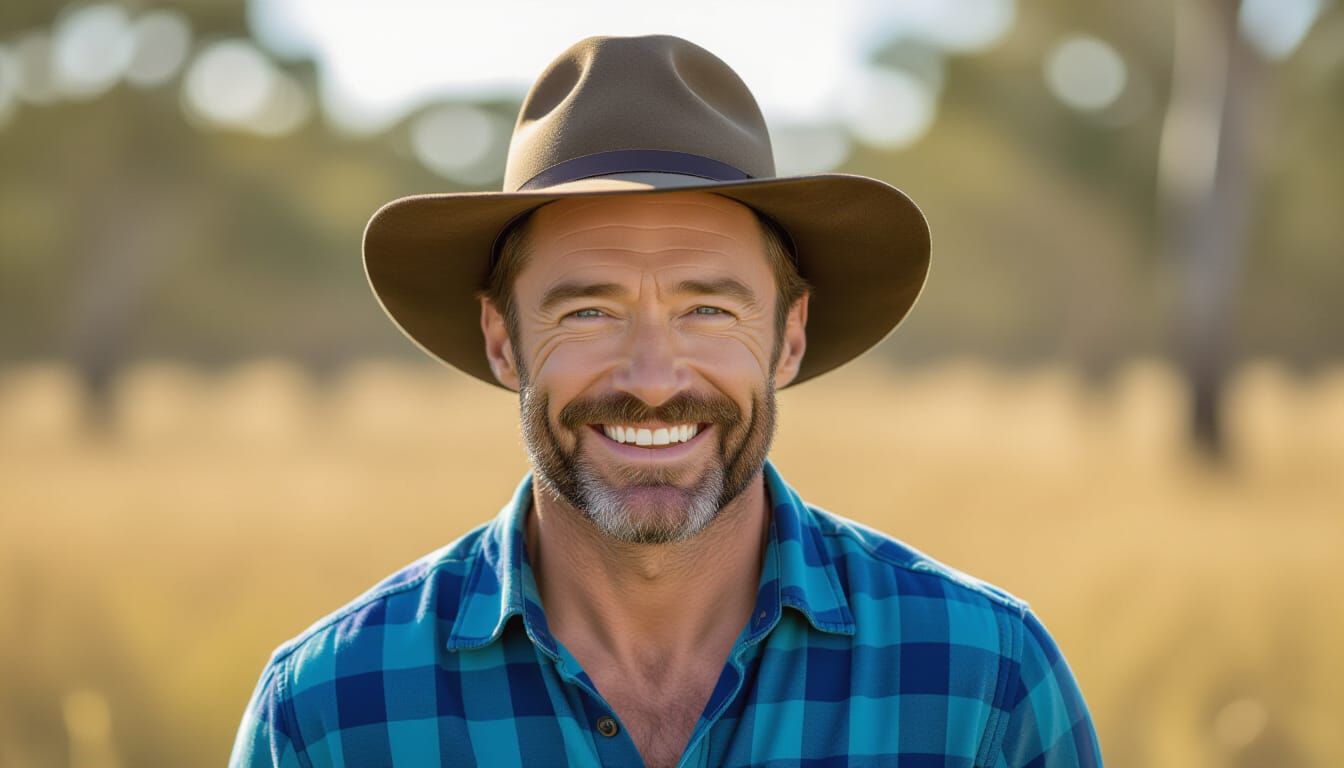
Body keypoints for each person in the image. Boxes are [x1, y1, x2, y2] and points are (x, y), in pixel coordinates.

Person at [230, 34, 1103, 767]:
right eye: (589, 311)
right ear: (505, 340)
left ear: (788, 337)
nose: (653, 378)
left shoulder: (983, 682)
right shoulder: (329, 715)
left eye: (708, 308)